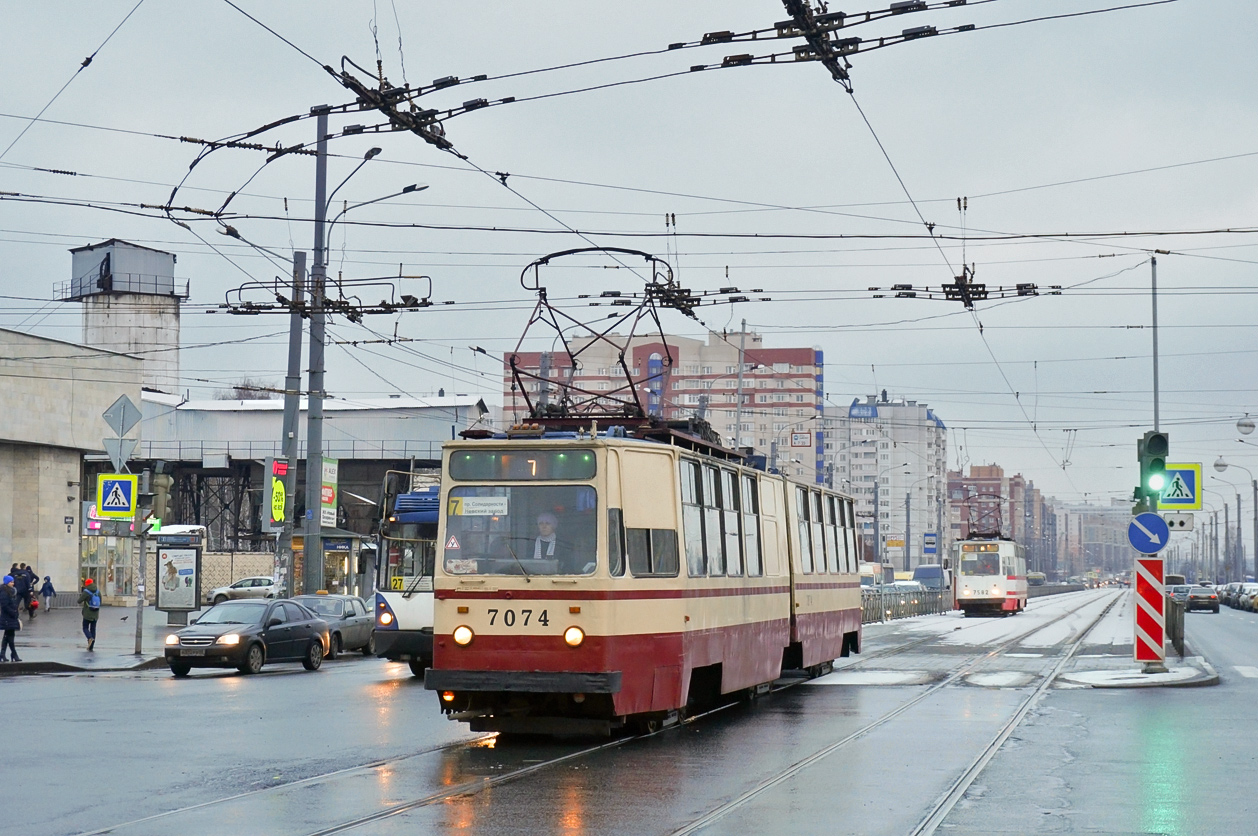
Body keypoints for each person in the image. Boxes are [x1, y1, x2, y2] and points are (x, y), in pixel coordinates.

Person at [0, 575, 20, 662]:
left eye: (13, 582)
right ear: (7, 583)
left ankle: (4, 654)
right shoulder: (4, 592)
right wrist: (13, 612)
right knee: (9, 636)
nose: (13, 583)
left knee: (8, 636)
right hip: (8, 617)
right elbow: (5, 605)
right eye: (11, 582)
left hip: (11, 617)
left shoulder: (11, 591)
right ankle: (13, 654)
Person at [79, 578, 100, 651]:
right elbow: (101, 602)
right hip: (95, 614)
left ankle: (89, 638)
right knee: (93, 629)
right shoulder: (97, 591)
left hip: (87, 613)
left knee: (85, 627)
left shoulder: (86, 591)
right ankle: (91, 646)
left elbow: (79, 601)